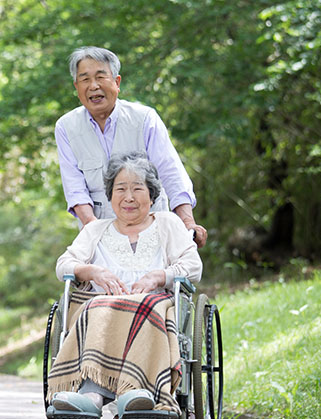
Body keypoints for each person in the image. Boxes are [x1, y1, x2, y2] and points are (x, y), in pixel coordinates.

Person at [46, 152, 202, 418]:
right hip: (101, 305)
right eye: (120, 189)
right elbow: (64, 265)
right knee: (94, 306)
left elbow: (193, 266)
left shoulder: (168, 223)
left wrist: (158, 277)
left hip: (154, 303)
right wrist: (92, 271)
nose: (128, 197)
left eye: (137, 188)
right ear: (110, 196)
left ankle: (138, 391)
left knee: (147, 308)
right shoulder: (96, 230)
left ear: (151, 195)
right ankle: (92, 394)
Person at [55, 46, 208, 248]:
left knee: (159, 277)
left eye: (101, 77)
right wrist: (92, 228)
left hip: (153, 226)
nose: (93, 86)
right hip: (101, 230)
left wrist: (187, 221)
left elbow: (171, 173)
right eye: (85, 79)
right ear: (77, 88)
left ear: (117, 82)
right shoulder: (66, 127)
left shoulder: (144, 118)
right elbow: (74, 187)